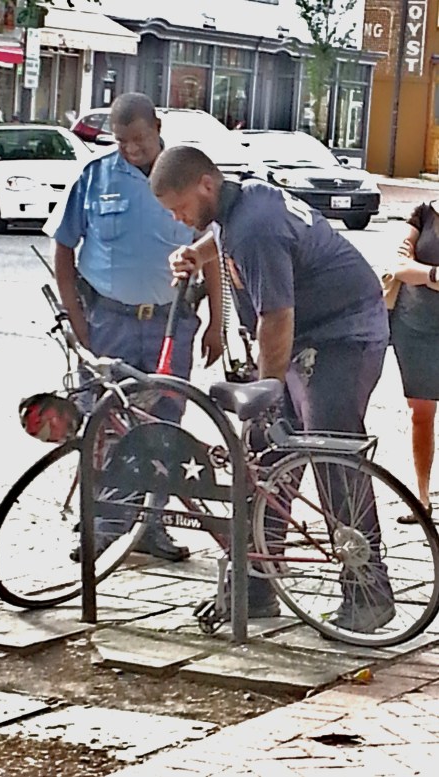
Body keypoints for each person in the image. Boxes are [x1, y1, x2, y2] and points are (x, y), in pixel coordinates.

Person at [150, 145, 395, 632]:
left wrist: (265, 390)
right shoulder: (242, 202)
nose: (180, 221)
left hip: (344, 333)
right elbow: (221, 237)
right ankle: (256, 582)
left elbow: (275, 318)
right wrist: (197, 254)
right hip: (312, 331)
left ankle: (369, 588)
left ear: (205, 185)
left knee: (327, 450)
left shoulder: (255, 227)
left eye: (180, 210)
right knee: (264, 455)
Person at [45, 94, 223, 562]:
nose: (130, 149)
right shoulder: (94, 176)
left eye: (139, 139)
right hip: (110, 322)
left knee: (163, 428)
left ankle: (150, 524)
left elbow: (213, 249)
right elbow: (64, 248)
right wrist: (78, 320)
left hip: (171, 323)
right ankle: (99, 524)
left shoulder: (182, 176)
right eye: (121, 141)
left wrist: (217, 324)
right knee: (104, 424)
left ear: (157, 127)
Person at [388, 201, 439, 523]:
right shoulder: (425, 212)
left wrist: (422, 276)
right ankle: (422, 499)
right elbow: (399, 267)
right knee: (421, 414)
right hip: (415, 327)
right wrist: (434, 274)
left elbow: (411, 270)